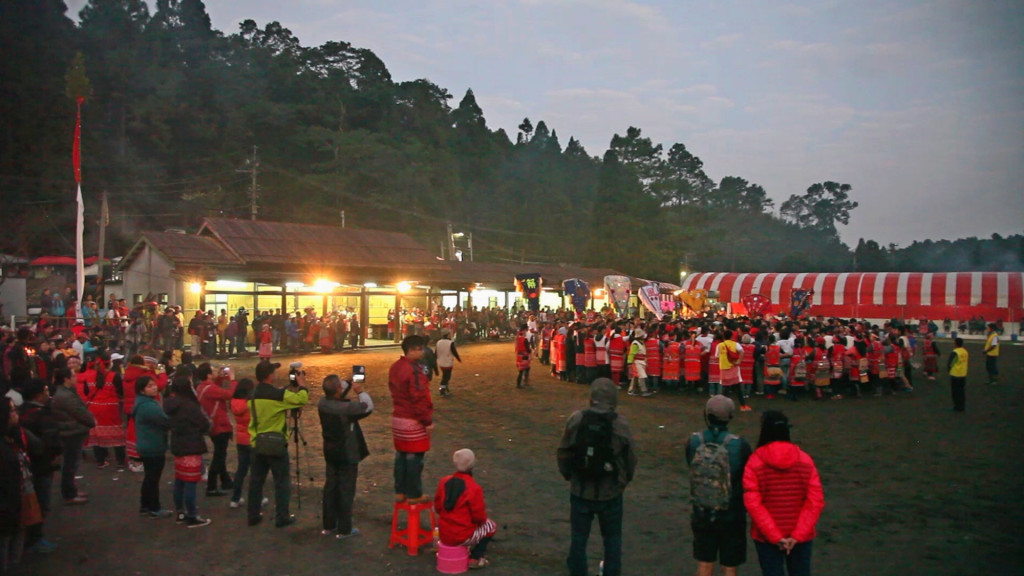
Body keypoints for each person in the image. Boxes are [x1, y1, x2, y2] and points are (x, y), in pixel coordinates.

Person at [557, 378, 637, 576]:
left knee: (578, 538)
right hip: (610, 492)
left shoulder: (576, 419)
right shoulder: (620, 424)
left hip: (580, 490)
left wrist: (570, 476)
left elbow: (563, 451)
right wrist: (623, 482)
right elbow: (630, 459)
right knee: (612, 540)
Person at [743, 411, 825, 576]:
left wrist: (774, 536)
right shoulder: (805, 460)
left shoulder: (755, 462)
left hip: (766, 537)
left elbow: (753, 504)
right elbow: (815, 501)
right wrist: (797, 535)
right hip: (801, 536)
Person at [687, 395, 753, 576]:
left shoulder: (694, 441)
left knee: (705, 561)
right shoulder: (739, 445)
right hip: (731, 512)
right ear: (729, 417)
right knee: (730, 564)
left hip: (702, 509)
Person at [247, 360, 309, 528]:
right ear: (269, 376)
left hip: (257, 442)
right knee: (281, 481)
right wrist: (302, 384)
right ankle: (282, 516)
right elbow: (301, 399)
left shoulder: (252, 394)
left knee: (256, 481)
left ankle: (253, 514)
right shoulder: (278, 395)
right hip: (275, 444)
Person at [318, 374, 373, 540]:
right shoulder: (347, 409)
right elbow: (368, 407)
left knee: (330, 488)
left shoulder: (322, 403)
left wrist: (347, 382)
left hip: (330, 451)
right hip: (347, 453)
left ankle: (328, 525)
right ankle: (344, 528)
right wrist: (360, 390)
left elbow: (334, 392)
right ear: (337, 390)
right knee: (346, 491)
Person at [17, 379, 61, 553]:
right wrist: (55, 454)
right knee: (41, 503)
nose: (47, 393)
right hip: (41, 464)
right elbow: (50, 440)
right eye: (44, 390)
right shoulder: (41, 414)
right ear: (37, 395)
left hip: (28, 465)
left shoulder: (21, 412)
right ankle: (35, 539)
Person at [388, 336, 434, 504]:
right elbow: (419, 398)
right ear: (412, 349)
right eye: (420, 349)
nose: (422, 352)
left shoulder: (396, 367)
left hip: (398, 418)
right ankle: (414, 493)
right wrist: (427, 421)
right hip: (412, 420)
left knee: (401, 456)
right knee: (415, 459)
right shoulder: (414, 371)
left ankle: (400, 491)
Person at [434, 449, 498, 569]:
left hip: (444, 532)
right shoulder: (474, 488)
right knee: (491, 526)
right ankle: (475, 557)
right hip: (462, 535)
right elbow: (479, 517)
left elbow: (438, 507)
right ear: (472, 465)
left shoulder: (444, 482)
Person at [164, 378, 212, 528]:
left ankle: (181, 513)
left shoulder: (170, 404)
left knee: (180, 480)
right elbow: (203, 424)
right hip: (191, 445)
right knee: (190, 482)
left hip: (178, 445)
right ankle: (192, 515)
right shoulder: (190, 406)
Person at [50, 367, 94, 505]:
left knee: (71, 464)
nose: (76, 378)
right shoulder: (65, 396)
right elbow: (79, 412)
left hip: (72, 431)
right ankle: (69, 493)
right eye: (73, 376)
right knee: (70, 464)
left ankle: (71, 490)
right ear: (66, 379)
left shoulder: (67, 392)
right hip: (71, 433)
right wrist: (91, 421)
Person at [132, 375, 173, 517]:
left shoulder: (143, 402)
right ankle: (154, 507)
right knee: (153, 478)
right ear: (142, 390)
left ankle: (145, 505)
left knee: (149, 477)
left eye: (154, 384)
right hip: (152, 445)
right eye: (149, 386)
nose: (154, 387)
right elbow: (165, 421)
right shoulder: (148, 406)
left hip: (147, 444)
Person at [195, 363, 236, 497]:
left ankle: (226, 481)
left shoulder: (202, 387)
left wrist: (219, 378)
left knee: (220, 454)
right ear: (208, 375)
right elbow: (230, 394)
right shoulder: (210, 389)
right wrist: (232, 380)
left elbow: (216, 389)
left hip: (214, 425)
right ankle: (212, 486)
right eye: (212, 371)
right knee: (219, 457)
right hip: (220, 425)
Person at [229, 378, 260, 509]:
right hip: (251, 439)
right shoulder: (250, 404)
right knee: (256, 471)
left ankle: (235, 498)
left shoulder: (234, 402)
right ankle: (259, 497)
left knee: (241, 470)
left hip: (240, 439)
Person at [435, 329, 462, 397]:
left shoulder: (438, 342)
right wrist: (459, 359)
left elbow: (436, 353)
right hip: (448, 362)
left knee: (445, 375)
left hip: (441, 362)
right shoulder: (450, 342)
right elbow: (454, 352)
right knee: (446, 377)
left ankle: (444, 387)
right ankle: (442, 389)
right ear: (447, 334)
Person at [948, 338, 968, 413]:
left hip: (955, 373)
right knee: (961, 391)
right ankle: (962, 406)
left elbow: (951, 363)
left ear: (955, 343)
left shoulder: (955, 352)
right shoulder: (965, 351)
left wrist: (949, 369)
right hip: (963, 373)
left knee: (955, 392)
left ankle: (957, 406)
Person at [515, 324, 532, 389]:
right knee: (526, 369)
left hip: (519, 356)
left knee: (521, 371)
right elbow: (528, 349)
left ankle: (520, 383)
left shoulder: (518, 338)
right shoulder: (524, 339)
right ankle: (524, 382)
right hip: (524, 356)